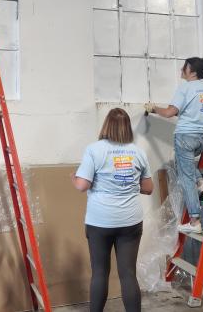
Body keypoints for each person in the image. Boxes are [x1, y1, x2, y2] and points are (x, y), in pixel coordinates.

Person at [72, 108, 153, 312]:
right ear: (127, 127)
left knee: (100, 273)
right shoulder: (138, 152)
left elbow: (82, 185)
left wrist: (73, 177)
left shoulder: (94, 149)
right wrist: (128, 183)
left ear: (106, 125)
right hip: (130, 221)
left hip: (100, 221)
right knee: (128, 274)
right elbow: (148, 188)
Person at [144, 57, 203, 235]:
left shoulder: (185, 88)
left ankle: (194, 220)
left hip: (186, 136)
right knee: (180, 162)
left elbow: (170, 113)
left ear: (191, 71)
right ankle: (200, 182)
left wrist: (153, 109)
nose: (181, 70)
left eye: (184, 67)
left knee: (185, 177)